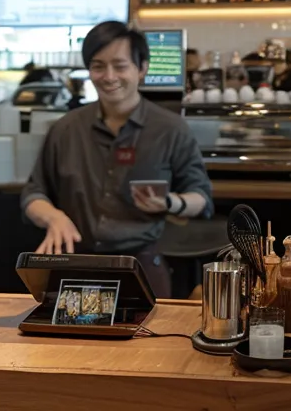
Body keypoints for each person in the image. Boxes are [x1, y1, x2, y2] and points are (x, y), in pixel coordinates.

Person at [21, 22, 213, 298]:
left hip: (142, 267)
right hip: (74, 266)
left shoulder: (170, 129)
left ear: (142, 69)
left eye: (120, 66)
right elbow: (33, 193)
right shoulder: (65, 128)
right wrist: (53, 217)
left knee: (147, 342)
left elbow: (201, 197)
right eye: (98, 66)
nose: (109, 76)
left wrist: (170, 202)